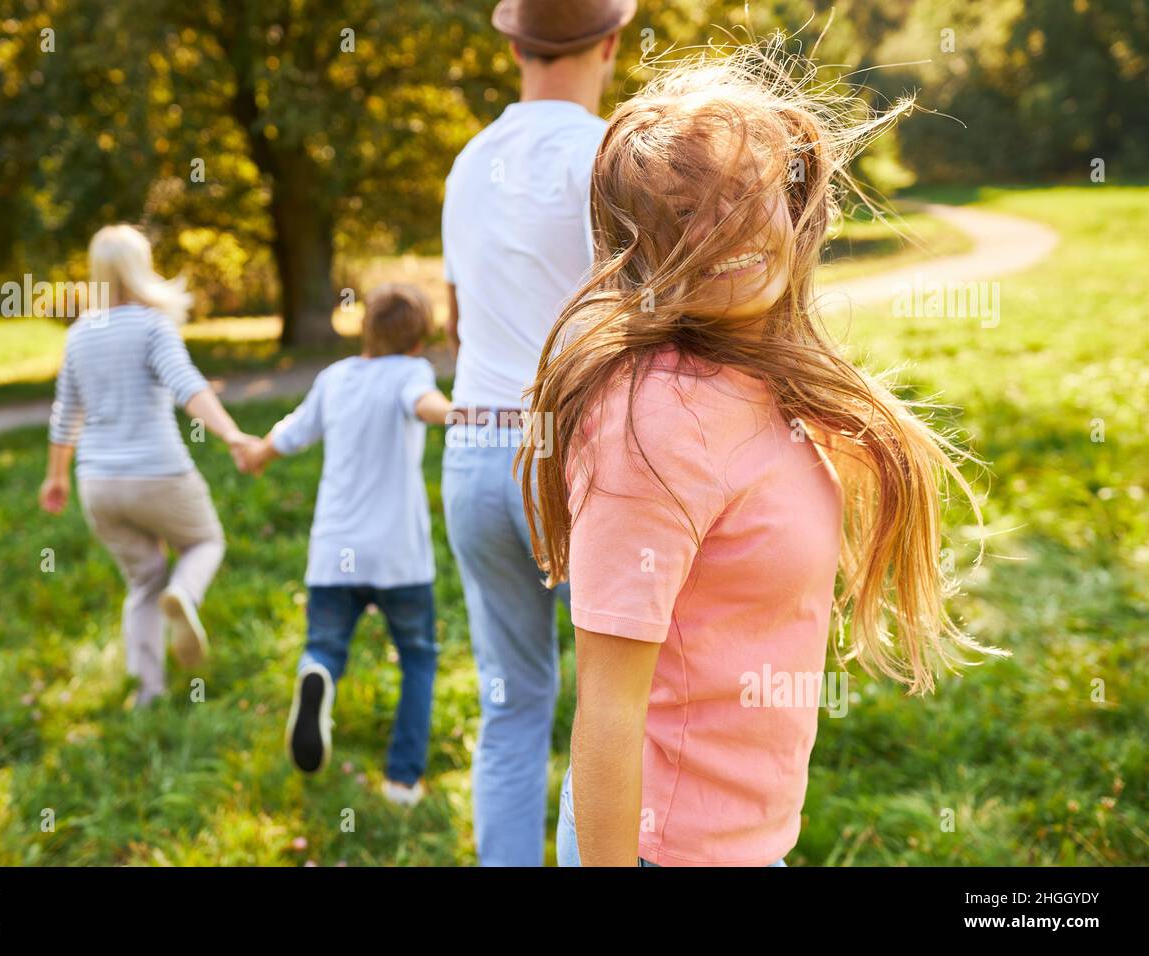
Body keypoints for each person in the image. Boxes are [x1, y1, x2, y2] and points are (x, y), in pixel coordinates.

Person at [517, 48, 1008, 866]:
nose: (732, 232)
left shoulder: (752, 371)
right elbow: (607, 709)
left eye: (748, 194)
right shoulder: (654, 420)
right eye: (684, 212)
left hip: (745, 841)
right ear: (642, 245)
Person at [440, 0, 635, 867]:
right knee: (610, 710)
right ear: (612, 40)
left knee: (511, 707)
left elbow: (457, 323)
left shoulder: (467, 162)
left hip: (472, 453)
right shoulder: (609, 158)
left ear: (513, 41)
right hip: (574, 454)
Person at [239, 284, 454, 807]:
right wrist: (456, 413)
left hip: (333, 552)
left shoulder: (333, 378)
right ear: (419, 340)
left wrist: (260, 453)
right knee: (418, 658)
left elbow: (293, 432)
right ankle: (402, 781)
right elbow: (422, 404)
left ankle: (317, 674)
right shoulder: (411, 373)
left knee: (326, 645)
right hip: (398, 558)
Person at [40, 224, 254, 706]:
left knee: (142, 581)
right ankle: (184, 594)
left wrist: (55, 477)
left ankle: (147, 692)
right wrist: (231, 433)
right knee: (204, 541)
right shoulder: (153, 325)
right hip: (159, 473)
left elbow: (64, 413)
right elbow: (186, 383)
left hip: (98, 483)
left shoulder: (79, 336)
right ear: (143, 267)